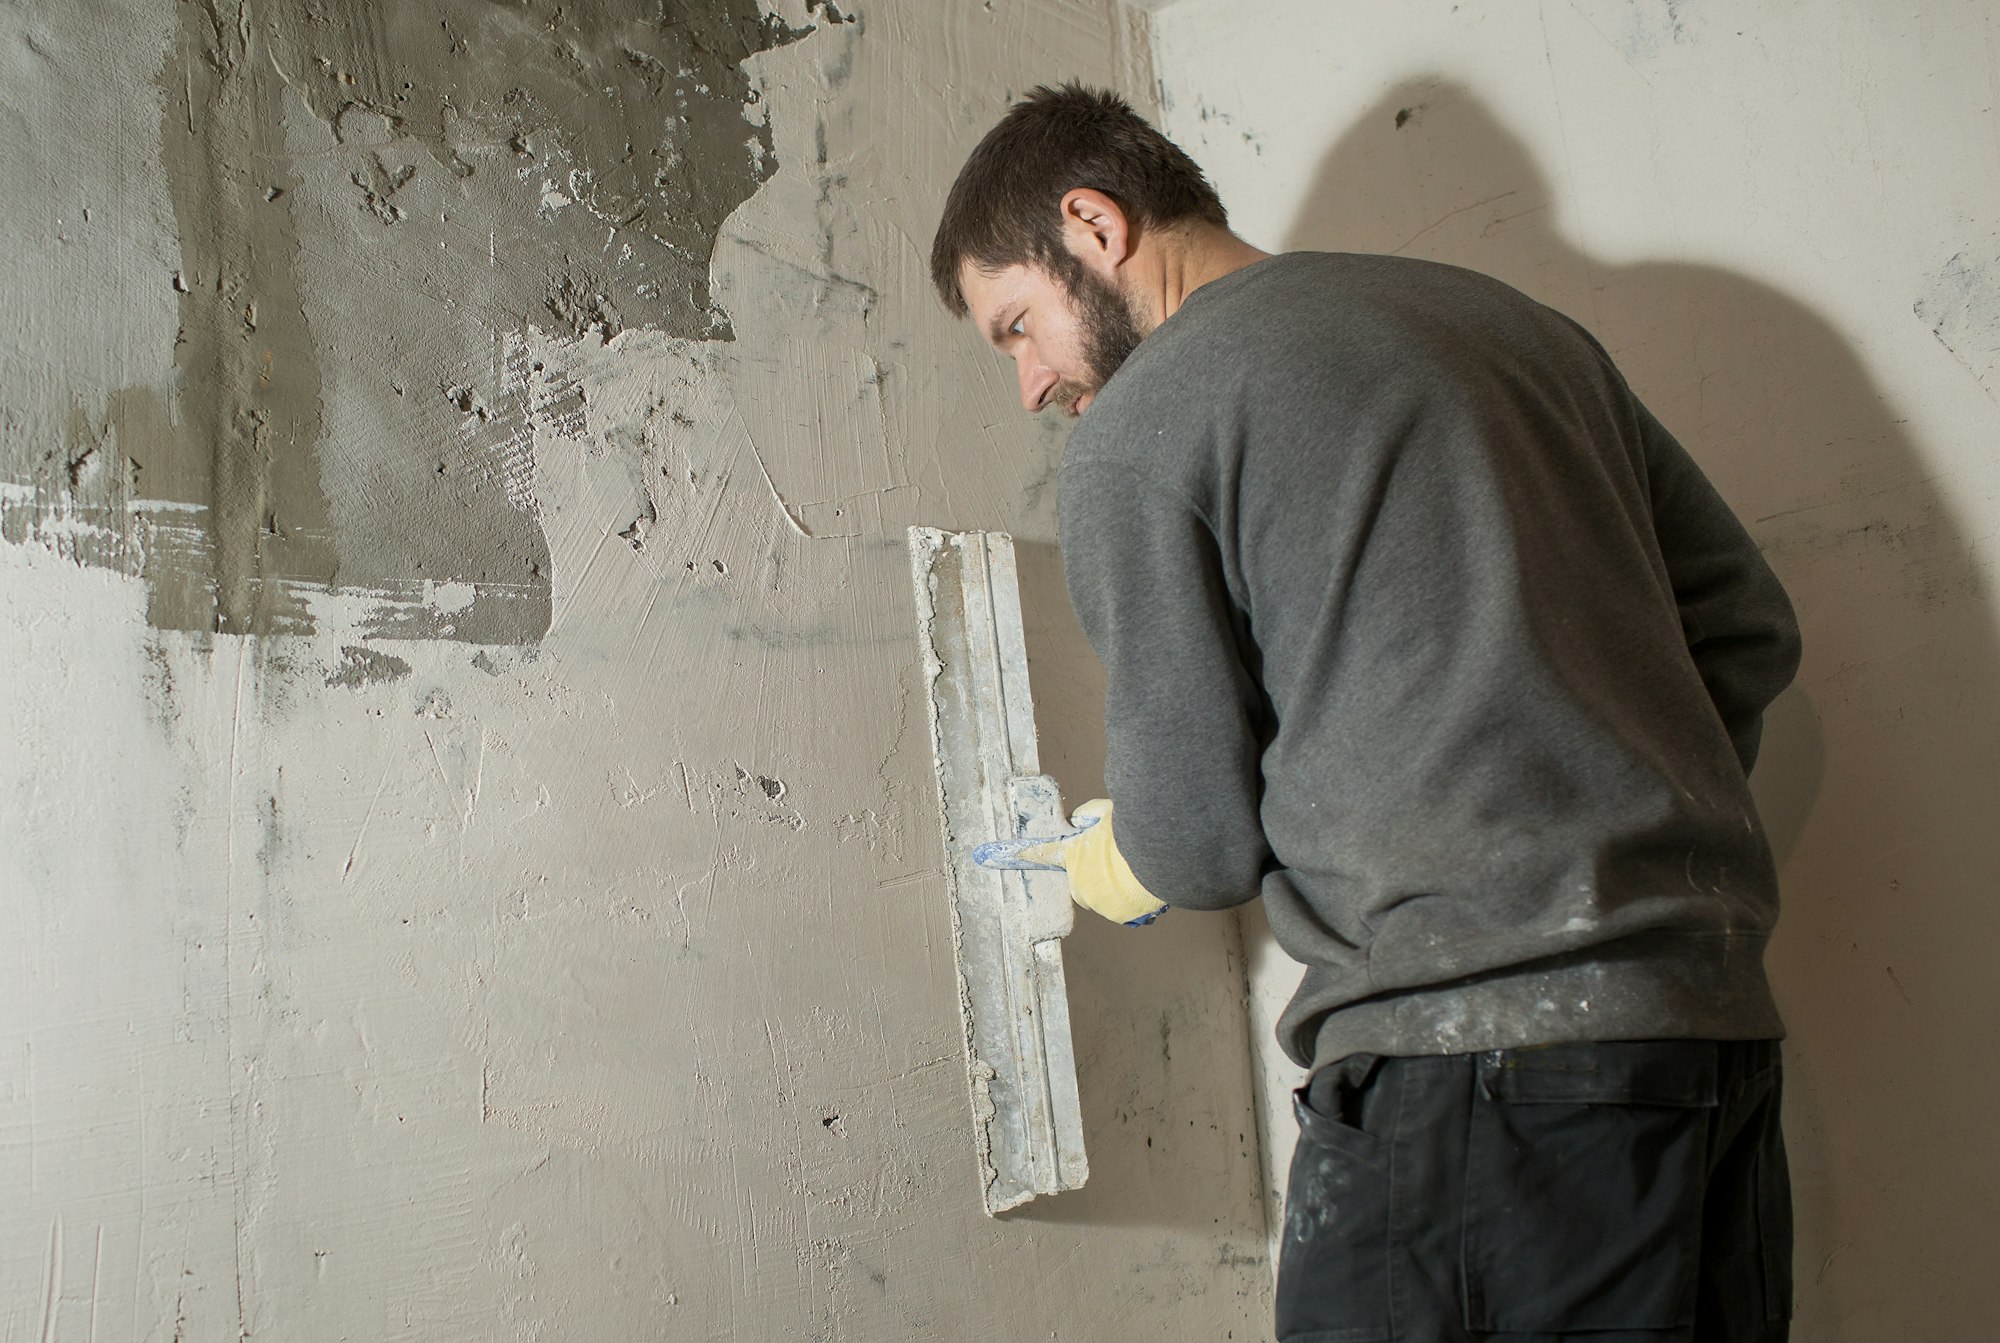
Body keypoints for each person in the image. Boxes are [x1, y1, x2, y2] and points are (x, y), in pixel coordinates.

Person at [929, 84, 1800, 1342]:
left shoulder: (1141, 428)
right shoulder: (1517, 333)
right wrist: (1598, 804)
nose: (1029, 384)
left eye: (1017, 325)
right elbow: (1745, 626)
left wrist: (1108, 857)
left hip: (1472, 1068)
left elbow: (1196, 842)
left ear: (1091, 224)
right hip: (1707, 1030)